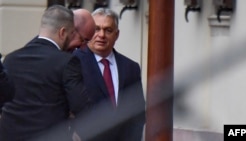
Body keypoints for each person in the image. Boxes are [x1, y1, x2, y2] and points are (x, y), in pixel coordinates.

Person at [0, 5, 90, 141]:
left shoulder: (10, 59)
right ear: (62, 32)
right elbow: (81, 106)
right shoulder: (68, 62)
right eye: (72, 34)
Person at [73, 8, 146, 141]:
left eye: (108, 30)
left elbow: (138, 113)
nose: (101, 35)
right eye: (96, 29)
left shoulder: (131, 68)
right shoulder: (73, 63)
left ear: (117, 35)